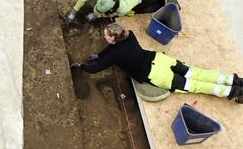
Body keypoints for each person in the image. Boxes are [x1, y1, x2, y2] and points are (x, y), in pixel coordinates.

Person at [70, 22, 243, 103]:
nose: (104, 37)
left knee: (192, 85)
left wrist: (82, 67)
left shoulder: (115, 54)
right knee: (194, 72)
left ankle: (231, 91)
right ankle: (232, 79)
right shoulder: (129, 34)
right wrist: (99, 55)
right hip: (161, 60)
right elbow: (111, 50)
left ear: (114, 37)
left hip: (157, 74)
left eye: (106, 35)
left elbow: (97, 68)